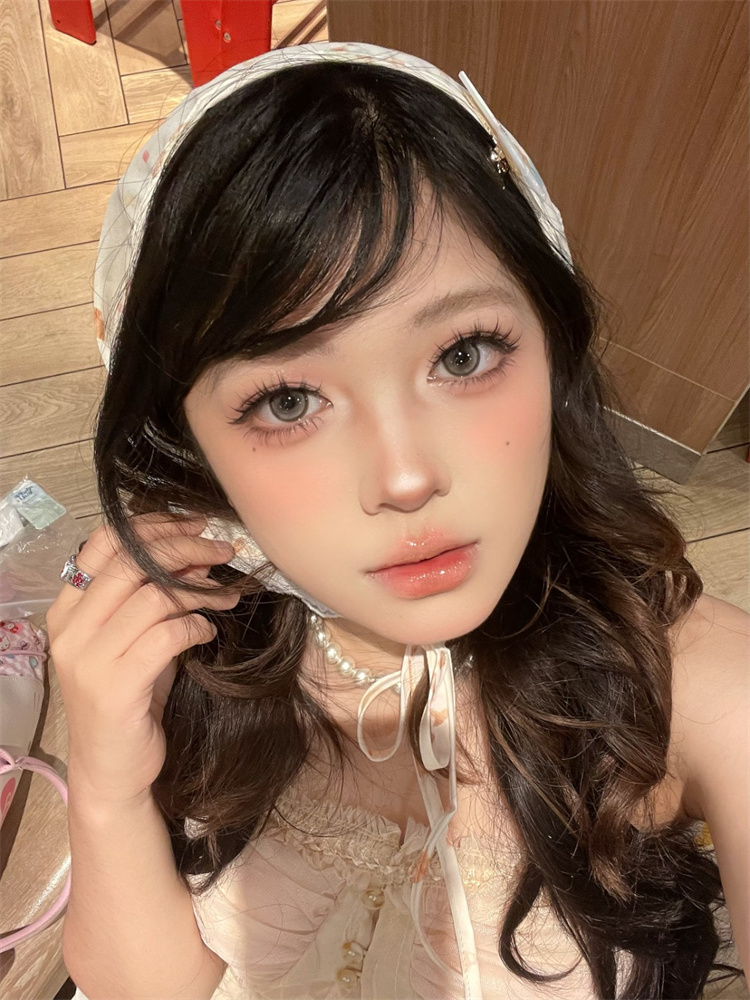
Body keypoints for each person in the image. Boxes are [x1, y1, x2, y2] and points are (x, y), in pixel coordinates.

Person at [46, 41, 748, 1000]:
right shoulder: (191, 651)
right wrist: (106, 783)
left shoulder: (690, 685)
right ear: (186, 445)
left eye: (463, 354)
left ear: (552, 343)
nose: (408, 478)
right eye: (289, 400)